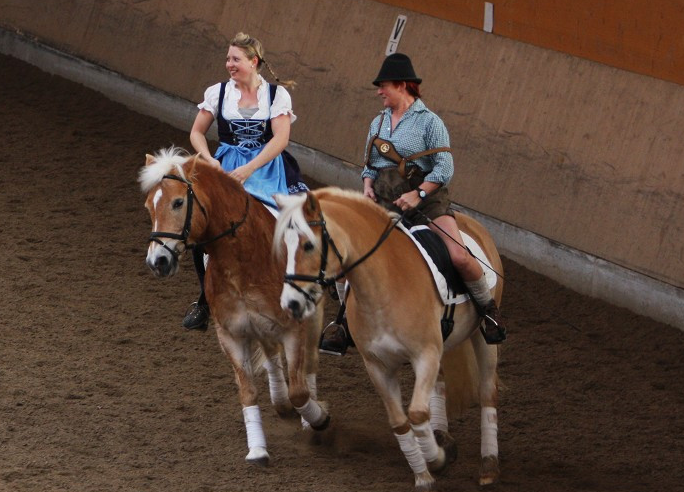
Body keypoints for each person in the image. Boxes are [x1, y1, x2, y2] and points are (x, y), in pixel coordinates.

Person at [319, 52, 506, 353]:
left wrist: (417, 194)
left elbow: (444, 168)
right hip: (384, 201)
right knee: (345, 261)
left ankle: (488, 312)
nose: (379, 91)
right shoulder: (377, 123)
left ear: (403, 85)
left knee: (458, 256)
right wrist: (367, 186)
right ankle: (345, 322)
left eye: (384, 86)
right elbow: (370, 165)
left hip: (427, 201)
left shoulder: (430, 122)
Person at [181, 32, 308, 331]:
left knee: (301, 224)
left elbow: (280, 139)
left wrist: (250, 168)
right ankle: (204, 300)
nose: (229, 65)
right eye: (228, 59)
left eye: (235, 59)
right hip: (225, 169)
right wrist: (209, 160)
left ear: (254, 62)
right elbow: (197, 132)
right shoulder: (218, 93)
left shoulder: (277, 96)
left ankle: (299, 290)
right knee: (202, 229)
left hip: (267, 168)